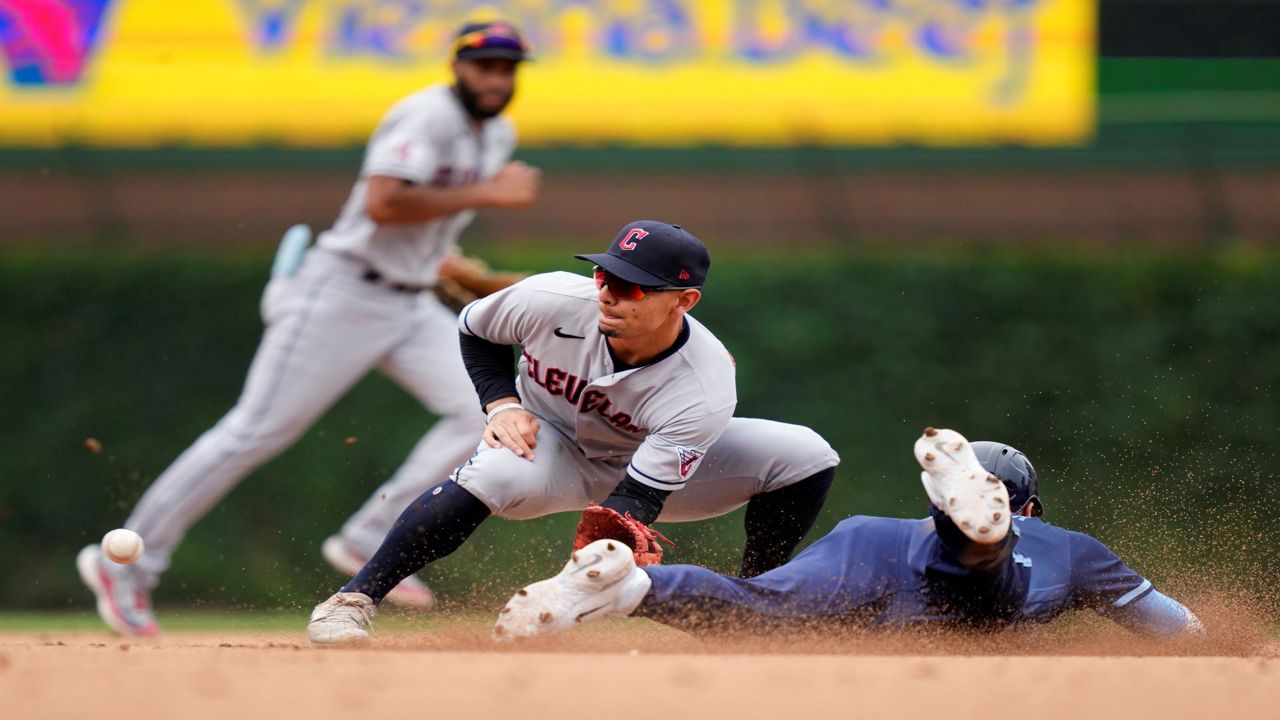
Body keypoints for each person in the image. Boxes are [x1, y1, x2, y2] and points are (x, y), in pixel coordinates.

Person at [76, 20, 541, 636]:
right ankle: (128, 567)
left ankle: (370, 533)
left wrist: (459, 272)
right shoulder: (425, 116)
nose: (496, 77)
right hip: (341, 290)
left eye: (507, 67)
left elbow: (420, 229)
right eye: (484, 64)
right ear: (457, 66)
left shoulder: (496, 132)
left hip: (404, 303)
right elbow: (383, 203)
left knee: (481, 413)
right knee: (256, 431)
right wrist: (487, 192)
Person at [305, 220, 842, 645]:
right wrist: (500, 405)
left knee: (805, 453)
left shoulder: (704, 384)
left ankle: (752, 610)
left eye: (633, 287)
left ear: (684, 300)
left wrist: (563, 596)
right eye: (606, 274)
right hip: (548, 444)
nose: (609, 292)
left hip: (641, 475)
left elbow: (632, 504)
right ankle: (353, 601)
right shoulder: (552, 298)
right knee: (494, 469)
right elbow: (474, 330)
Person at [493, 427, 1204, 640]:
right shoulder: (1074, 551)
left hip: (872, 542)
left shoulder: (885, 527)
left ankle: (629, 590)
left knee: (759, 609)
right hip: (968, 579)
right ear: (1033, 509)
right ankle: (979, 540)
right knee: (987, 589)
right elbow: (1174, 628)